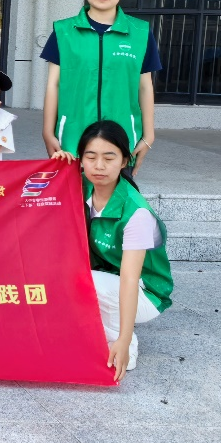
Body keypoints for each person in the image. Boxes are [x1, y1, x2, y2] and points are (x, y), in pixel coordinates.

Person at [53, 120, 174, 380]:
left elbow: (129, 279)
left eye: (109, 158)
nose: (99, 166)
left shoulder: (136, 213)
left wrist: (124, 339)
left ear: (124, 161)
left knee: (80, 280)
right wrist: (57, 167)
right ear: (80, 159)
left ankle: (123, 343)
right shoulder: (82, 185)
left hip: (145, 293)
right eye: (90, 157)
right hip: (107, 277)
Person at [42, 0, 160, 170]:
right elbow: (53, 85)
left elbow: (145, 86)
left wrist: (149, 135)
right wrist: (48, 132)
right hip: (72, 140)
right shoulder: (63, 32)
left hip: (122, 139)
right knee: (73, 191)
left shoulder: (140, 33)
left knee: (117, 191)